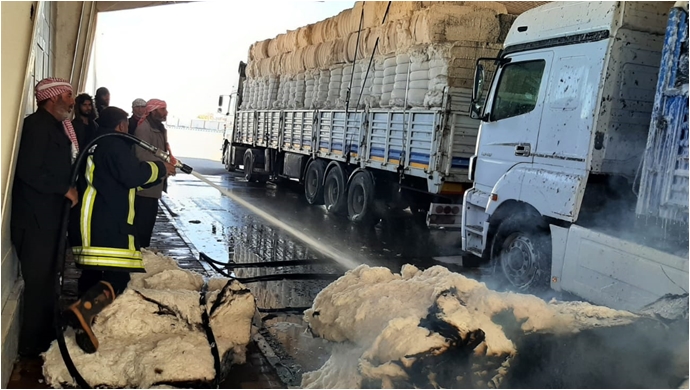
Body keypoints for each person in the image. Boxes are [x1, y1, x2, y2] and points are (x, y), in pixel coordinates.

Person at [66, 106, 175, 353]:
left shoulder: (94, 144)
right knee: (119, 276)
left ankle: (85, 324)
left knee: (92, 275)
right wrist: (161, 169)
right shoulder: (114, 145)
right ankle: (83, 311)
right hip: (105, 225)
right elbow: (132, 175)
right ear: (122, 126)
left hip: (86, 224)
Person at [10, 77, 79, 357]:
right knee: (39, 283)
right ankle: (32, 347)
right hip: (35, 222)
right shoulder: (37, 127)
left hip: (48, 220)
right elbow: (28, 170)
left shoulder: (55, 126)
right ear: (53, 98)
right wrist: (64, 189)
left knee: (50, 279)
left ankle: (48, 337)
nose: (72, 102)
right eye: (69, 96)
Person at [133, 99, 177, 248]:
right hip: (145, 188)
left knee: (148, 225)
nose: (166, 113)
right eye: (163, 109)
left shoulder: (160, 128)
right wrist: (164, 166)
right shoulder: (144, 129)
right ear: (153, 111)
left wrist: (170, 162)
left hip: (154, 186)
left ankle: (142, 253)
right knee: (141, 226)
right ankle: (139, 255)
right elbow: (142, 155)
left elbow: (162, 152)